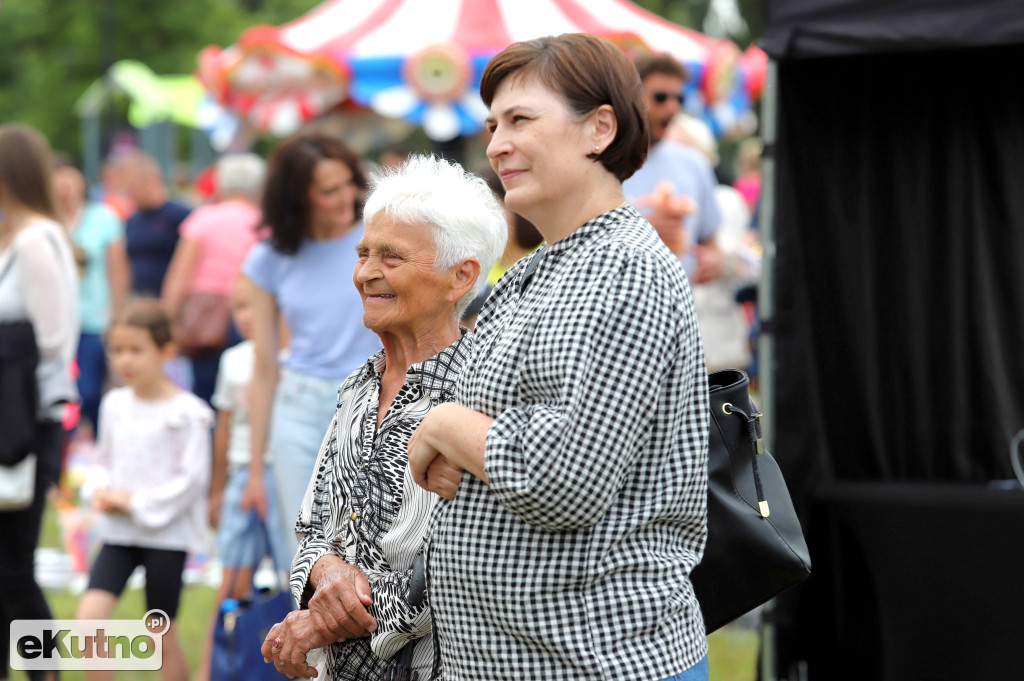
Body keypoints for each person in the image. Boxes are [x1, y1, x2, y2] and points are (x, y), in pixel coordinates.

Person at [408, 34, 711, 681]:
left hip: (599, 660)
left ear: (599, 128)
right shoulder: (544, 266)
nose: (496, 144)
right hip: (519, 659)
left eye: (520, 119)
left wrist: (445, 428)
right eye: (492, 125)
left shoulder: (626, 270)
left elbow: (562, 477)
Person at [259, 155, 506, 680]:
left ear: (460, 278)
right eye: (363, 252)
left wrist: (323, 625)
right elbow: (310, 527)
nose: (366, 272)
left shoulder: (478, 395)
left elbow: (456, 567)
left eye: (391, 257)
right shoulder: (358, 385)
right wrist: (324, 573)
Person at [240, 131, 382, 566]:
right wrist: (254, 468)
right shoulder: (270, 257)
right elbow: (264, 368)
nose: (346, 197)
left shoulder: (377, 235)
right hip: (298, 407)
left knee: (370, 544)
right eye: (329, 191)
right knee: (302, 551)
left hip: (373, 399)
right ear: (298, 197)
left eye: (349, 183)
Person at [77, 300, 212, 681]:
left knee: (159, 637)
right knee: (89, 623)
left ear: (166, 351)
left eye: (136, 349)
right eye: (117, 350)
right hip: (119, 534)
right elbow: (101, 461)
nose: (125, 360)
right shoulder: (114, 404)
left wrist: (135, 503)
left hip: (165, 538)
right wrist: (101, 492)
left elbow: (191, 481)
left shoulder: (188, 413)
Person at [0, 124, 79, 681]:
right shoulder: (29, 236)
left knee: (13, 568)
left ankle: (45, 671)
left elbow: (50, 339)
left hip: (24, 421)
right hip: (21, 416)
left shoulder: (33, 241)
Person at [195, 276, 289, 681]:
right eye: (238, 308)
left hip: (286, 479)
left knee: (294, 579)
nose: (247, 317)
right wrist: (216, 489)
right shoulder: (233, 360)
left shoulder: (296, 360)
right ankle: (212, 666)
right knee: (233, 579)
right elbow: (224, 428)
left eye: (255, 306)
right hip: (240, 480)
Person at [161, 153, 265, 406]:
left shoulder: (203, 219)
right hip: (250, 311)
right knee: (245, 390)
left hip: (204, 317)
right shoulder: (265, 222)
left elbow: (180, 275)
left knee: (205, 391)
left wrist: (167, 316)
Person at [623, 53, 723, 285]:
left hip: (679, 309)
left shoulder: (694, 162)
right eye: (660, 97)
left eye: (679, 98)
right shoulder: (603, 161)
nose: (672, 107)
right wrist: (645, 231)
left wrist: (712, 261)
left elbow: (711, 243)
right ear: (632, 98)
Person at [52, 160, 126, 435]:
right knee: (63, 395)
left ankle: (97, 445)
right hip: (58, 321)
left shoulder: (103, 217)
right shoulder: (47, 221)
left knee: (91, 390)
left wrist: (116, 314)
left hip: (95, 317)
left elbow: (118, 269)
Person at [110, 151, 192, 306]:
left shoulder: (181, 216)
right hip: (139, 304)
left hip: (171, 306)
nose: (131, 194)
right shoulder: (132, 221)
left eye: (134, 186)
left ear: (152, 179)